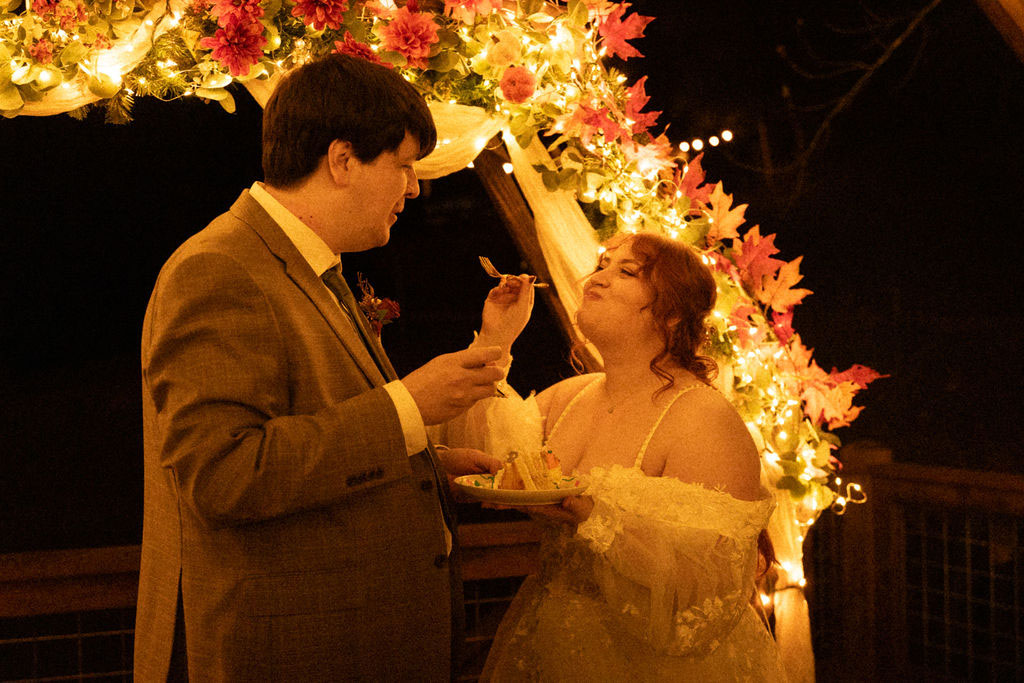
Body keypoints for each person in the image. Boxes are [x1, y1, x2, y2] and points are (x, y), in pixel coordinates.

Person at [134, 54, 506, 681]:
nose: (414, 189)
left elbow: (310, 429)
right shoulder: (220, 268)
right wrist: (407, 410)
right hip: (300, 653)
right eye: (405, 166)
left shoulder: (312, 266)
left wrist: (420, 459)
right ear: (341, 160)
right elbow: (224, 475)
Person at [448, 231, 787, 681]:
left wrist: (596, 518)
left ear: (671, 314)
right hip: (552, 643)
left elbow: (709, 589)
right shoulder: (569, 397)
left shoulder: (703, 418)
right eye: (602, 265)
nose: (598, 278)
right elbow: (483, 450)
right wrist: (497, 335)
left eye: (625, 271)